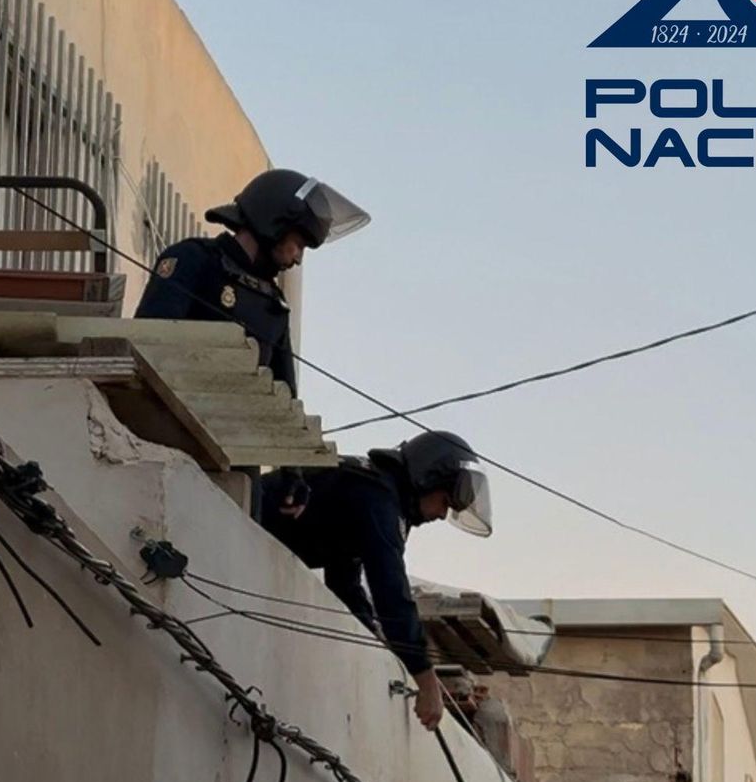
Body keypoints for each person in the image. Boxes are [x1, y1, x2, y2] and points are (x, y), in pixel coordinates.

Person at [258, 430, 494, 731]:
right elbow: (390, 590)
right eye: (445, 502)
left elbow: (344, 577)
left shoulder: (374, 490)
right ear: (429, 479)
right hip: (240, 530)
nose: (441, 514)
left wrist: (373, 637)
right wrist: (426, 679)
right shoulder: (377, 496)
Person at [132, 168, 369, 395]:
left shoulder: (274, 305)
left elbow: (284, 396)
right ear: (274, 223)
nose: (298, 258)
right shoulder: (194, 259)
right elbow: (147, 344)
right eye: (298, 244)